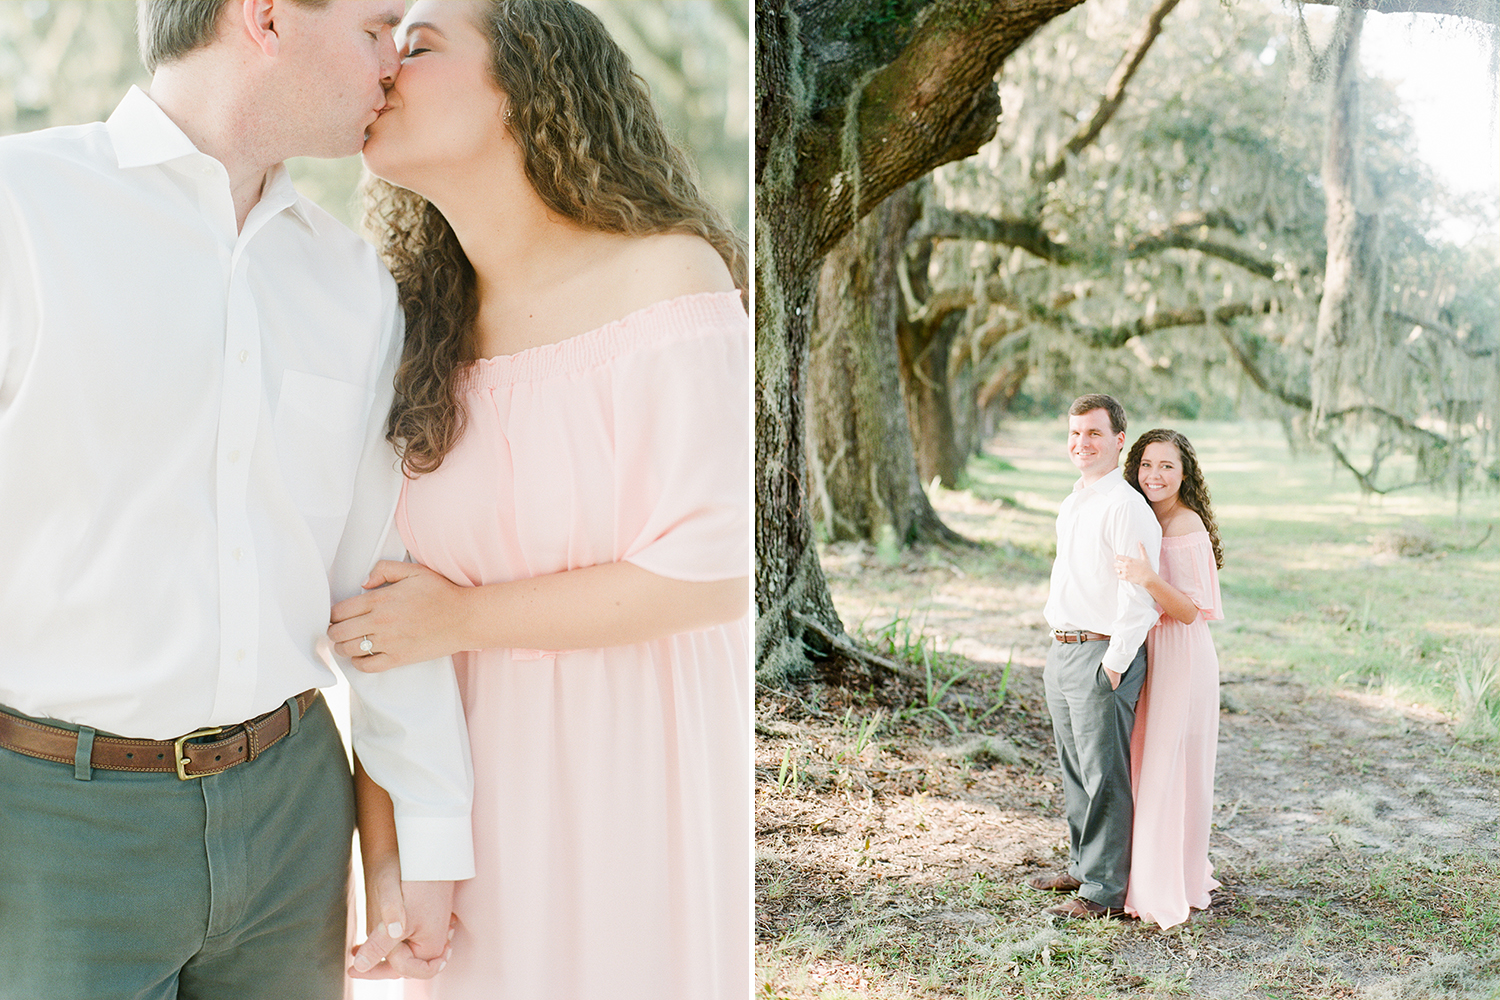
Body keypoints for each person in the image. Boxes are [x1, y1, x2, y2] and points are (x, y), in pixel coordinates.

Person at [0, 2, 476, 996]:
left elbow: (378, 583)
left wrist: (427, 831)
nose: (396, 59)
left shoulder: (353, 284)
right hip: (52, 826)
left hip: (292, 815)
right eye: (374, 26)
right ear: (265, 17)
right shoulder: (21, 209)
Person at [327, 1, 751, 996]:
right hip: (470, 804)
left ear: (528, 83)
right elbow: (383, 621)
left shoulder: (667, 280)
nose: (384, 61)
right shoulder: (404, 330)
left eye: (421, 44)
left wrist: (465, 616)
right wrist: (395, 865)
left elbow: (717, 565)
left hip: (634, 781)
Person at [1028, 393, 1162, 919]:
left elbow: (1141, 595)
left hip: (1103, 651)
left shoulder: (1125, 506)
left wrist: (1117, 660)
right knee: (1076, 768)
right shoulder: (1075, 499)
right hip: (1063, 650)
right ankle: (1084, 867)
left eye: (1094, 434)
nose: (1081, 443)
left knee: (1105, 771)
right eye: (1075, 434)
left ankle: (1105, 890)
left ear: (1119, 440)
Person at [1114, 428, 1224, 928]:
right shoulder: (1142, 517)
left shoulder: (1185, 525)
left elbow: (1188, 611)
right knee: (1144, 761)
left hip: (1181, 655)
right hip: (1148, 651)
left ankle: (1165, 882)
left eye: (1167, 467)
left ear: (1184, 475)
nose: (1155, 476)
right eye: (1146, 465)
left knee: (1169, 767)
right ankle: (1139, 869)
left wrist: (1148, 578)